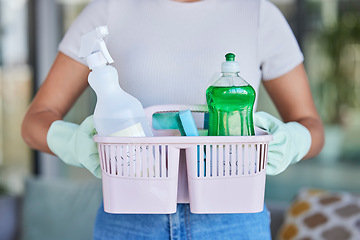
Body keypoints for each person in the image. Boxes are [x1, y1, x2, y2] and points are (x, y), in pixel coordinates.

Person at [22, 0, 325, 239]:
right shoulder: (109, 9)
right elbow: (34, 122)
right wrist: (75, 145)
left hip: (233, 221)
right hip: (130, 220)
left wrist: (290, 141)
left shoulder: (258, 13)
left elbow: (311, 124)